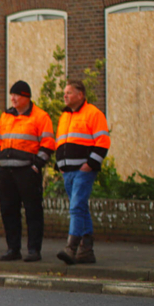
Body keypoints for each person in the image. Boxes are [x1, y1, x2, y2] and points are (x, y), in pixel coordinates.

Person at [0, 81, 57, 262]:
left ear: (26, 97)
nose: (13, 98)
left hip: (27, 172)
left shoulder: (40, 117)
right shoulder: (6, 116)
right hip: (6, 171)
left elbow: (48, 144)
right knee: (8, 210)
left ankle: (34, 250)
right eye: (12, 95)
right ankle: (13, 249)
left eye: (17, 95)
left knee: (33, 211)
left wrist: (36, 165)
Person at [55, 80, 110, 264]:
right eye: (65, 92)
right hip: (68, 171)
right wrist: (59, 163)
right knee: (80, 207)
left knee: (76, 207)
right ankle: (86, 250)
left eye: (69, 92)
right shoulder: (64, 116)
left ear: (80, 95)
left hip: (83, 170)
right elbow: (60, 141)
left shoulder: (93, 113)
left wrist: (90, 164)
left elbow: (103, 141)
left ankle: (71, 247)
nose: (65, 96)